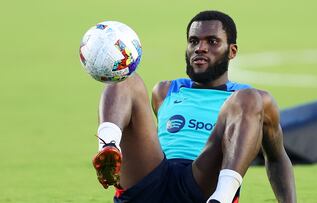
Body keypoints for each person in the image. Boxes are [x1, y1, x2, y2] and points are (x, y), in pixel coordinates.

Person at [92, 10, 296, 203]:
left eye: (212, 41)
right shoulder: (165, 91)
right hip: (153, 178)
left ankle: (221, 198)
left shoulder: (253, 101)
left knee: (249, 98)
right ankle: (108, 146)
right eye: (194, 41)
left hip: (201, 181)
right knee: (127, 78)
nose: (200, 48)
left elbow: (277, 158)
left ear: (231, 51)